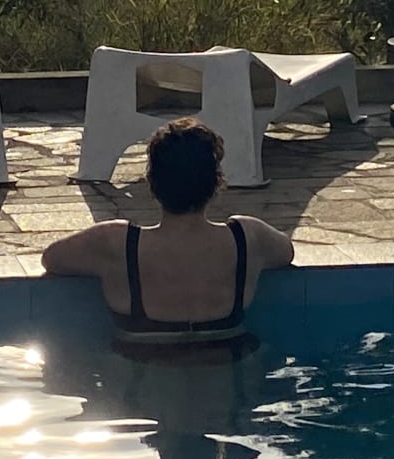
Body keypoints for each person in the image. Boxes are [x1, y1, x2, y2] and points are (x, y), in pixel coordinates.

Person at [42, 117, 294, 345]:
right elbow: (286, 252)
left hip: (141, 372)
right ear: (216, 182)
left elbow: (51, 259)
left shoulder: (115, 244)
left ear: (152, 182)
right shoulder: (248, 238)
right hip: (228, 370)